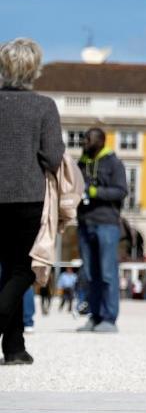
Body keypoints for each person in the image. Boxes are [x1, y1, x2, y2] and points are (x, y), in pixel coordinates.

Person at [0, 38, 64, 365]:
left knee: (5, 271)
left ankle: (14, 348)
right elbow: (53, 156)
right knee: (23, 268)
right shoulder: (43, 107)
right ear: (34, 69)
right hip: (27, 196)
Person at [73, 126, 128, 334]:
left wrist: (95, 191)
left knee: (107, 272)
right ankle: (94, 316)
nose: (84, 142)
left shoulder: (114, 163)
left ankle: (109, 318)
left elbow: (121, 191)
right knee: (89, 273)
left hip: (107, 223)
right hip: (85, 222)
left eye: (88, 139)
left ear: (101, 141)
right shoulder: (82, 163)